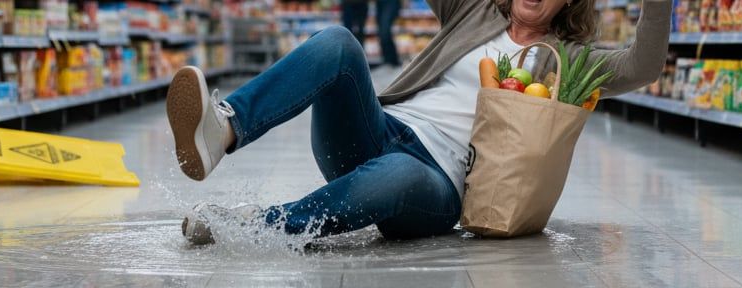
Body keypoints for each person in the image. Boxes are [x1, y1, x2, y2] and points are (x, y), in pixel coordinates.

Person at [167, 0, 672, 245]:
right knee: (340, 42)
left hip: (437, 182)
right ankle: (223, 129)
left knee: (400, 174)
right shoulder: (475, 11)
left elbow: (641, 66)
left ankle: (255, 226)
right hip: (379, 131)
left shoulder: (571, 61)